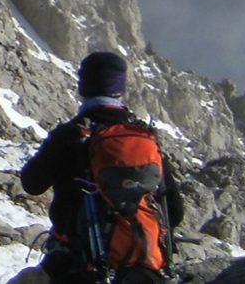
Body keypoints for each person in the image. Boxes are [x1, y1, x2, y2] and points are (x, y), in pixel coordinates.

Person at [20, 51, 184, 284]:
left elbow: (31, 183)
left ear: (82, 87)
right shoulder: (144, 138)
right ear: (121, 89)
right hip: (144, 268)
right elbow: (174, 211)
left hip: (75, 267)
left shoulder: (70, 135)